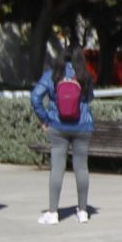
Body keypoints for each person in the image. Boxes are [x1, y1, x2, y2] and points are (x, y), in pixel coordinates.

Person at [30, 47, 95, 225]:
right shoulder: (85, 76)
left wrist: (45, 118)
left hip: (58, 126)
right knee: (81, 168)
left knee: (57, 168)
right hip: (82, 126)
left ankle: (53, 213)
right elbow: (90, 98)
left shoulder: (52, 75)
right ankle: (83, 211)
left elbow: (35, 97)